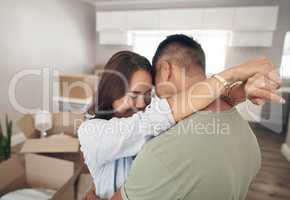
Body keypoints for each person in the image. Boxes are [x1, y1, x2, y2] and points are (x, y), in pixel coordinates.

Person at [78, 37, 282, 200]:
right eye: (134, 95)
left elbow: (167, 114)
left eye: (149, 94)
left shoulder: (156, 129)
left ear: (166, 70)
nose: (143, 104)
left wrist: (239, 91)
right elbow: (156, 119)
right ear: (112, 91)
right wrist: (231, 77)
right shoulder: (90, 132)